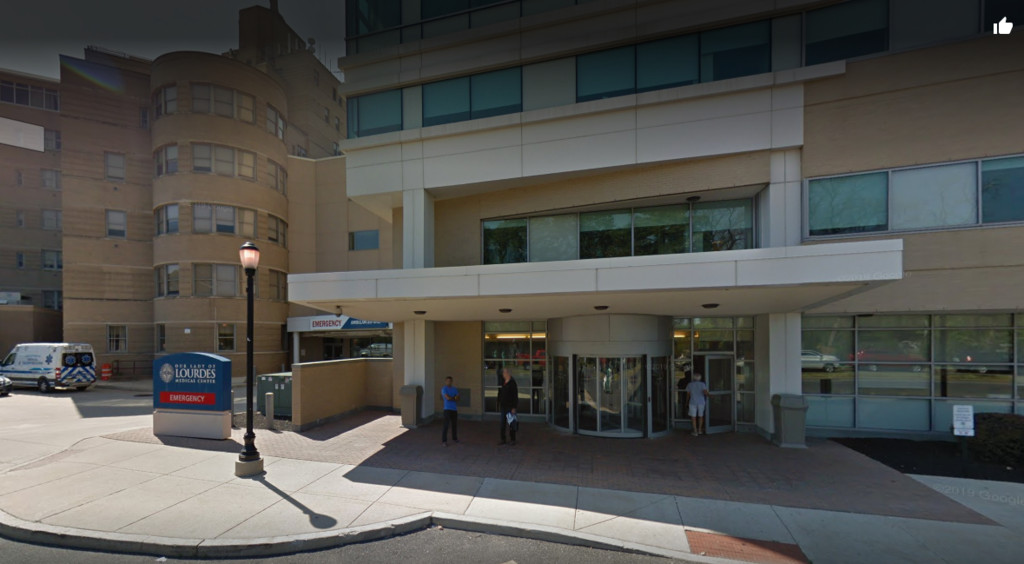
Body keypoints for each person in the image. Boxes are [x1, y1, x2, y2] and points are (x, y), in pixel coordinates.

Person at [497, 367, 518, 445]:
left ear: (508, 373)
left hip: (510, 407)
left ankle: (513, 439)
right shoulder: (503, 382)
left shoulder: (512, 383)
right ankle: (503, 439)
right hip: (503, 406)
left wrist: (514, 407)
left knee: (511, 424)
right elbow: (501, 392)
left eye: (504, 372)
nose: (503, 374)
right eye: (503, 372)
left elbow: (515, 396)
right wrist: (498, 401)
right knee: (502, 424)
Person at [684, 372, 709, 436]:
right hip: (701, 402)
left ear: (693, 378)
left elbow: (688, 395)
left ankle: (695, 431)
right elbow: (705, 392)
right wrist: (710, 395)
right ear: (700, 378)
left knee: (693, 417)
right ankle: (700, 430)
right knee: (701, 416)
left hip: (692, 402)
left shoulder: (690, 384)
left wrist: (686, 402)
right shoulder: (702, 384)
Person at [441, 376, 459, 446]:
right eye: (447, 381)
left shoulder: (454, 389)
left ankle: (454, 438)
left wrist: (452, 398)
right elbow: (447, 398)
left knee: (454, 425)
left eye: (450, 381)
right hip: (447, 409)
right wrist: (454, 398)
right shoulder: (444, 389)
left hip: (454, 409)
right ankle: (444, 441)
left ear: (452, 381)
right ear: (445, 381)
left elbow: (458, 398)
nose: (449, 382)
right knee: (446, 425)